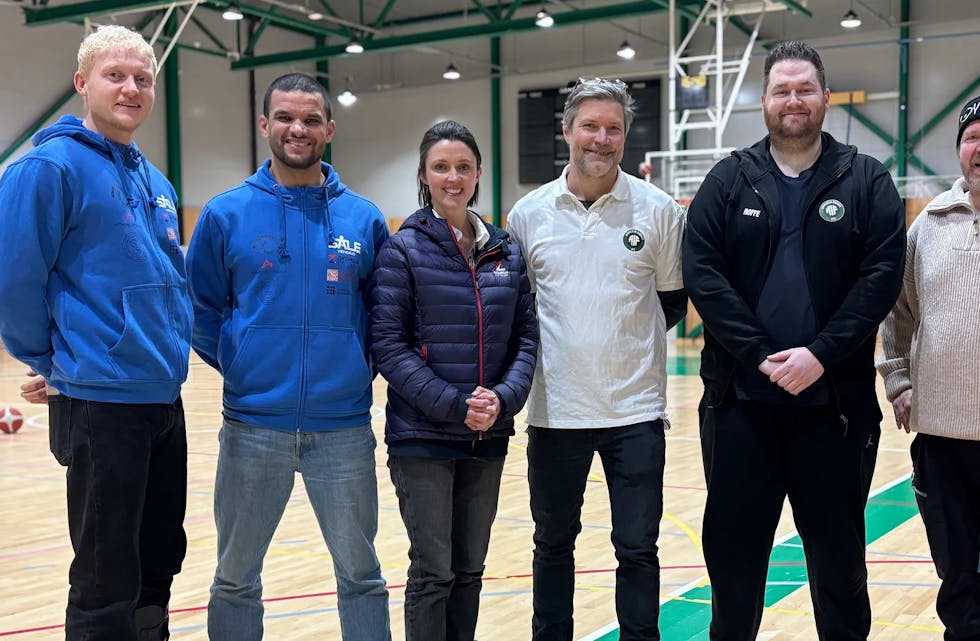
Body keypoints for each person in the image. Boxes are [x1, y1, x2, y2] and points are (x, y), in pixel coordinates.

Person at [683, 40, 906, 641]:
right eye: (782, 90)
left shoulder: (867, 179)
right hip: (740, 408)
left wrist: (820, 355)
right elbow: (704, 273)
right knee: (733, 569)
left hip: (833, 410)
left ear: (826, 98)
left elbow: (881, 278)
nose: (793, 100)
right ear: (763, 101)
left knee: (838, 568)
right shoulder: (729, 179)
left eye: (805, 88)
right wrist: (758, 355)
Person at [0, 25, 191, 641]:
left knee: (159, 560)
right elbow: (14, 279)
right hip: (101, 400)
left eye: (142, 78)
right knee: (106, 576)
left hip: (163, 395)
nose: (131, 88)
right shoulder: (48, 168)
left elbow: (168, 278)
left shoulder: (156, 182)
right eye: (116, 75)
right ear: (83, 83)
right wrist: (53, 362)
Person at [185, 72, 391, 641]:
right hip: (253, 425)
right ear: (265, 124)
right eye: (284, 117)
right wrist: (243, 361)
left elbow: (385, 316)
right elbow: (200, 308)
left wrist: (353, 368)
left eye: (309, 119)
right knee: (234, 577)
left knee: (362, 575)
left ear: (329, 127)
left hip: (343, 427)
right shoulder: (226, 214)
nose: (296, 129)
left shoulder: (365, 219)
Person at [507, 77, 687, 641]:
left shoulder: (657, 211)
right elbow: (521, 308)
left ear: (626, 137)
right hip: (555, 412)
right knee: (552, 547)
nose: (601, 139)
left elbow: (672, 301)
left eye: (613, 129)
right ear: (566, 131)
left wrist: (622, 343)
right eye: (590, 126)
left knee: (637, 549)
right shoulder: (528, 214)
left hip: (634, 414)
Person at [369, 120, 538, 641]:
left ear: (478, 173)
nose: (453, 177)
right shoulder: (403, 249)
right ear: (424, 174)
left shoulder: (505, 249)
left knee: (469, 570)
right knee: (433, 571)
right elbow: (388, 346)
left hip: (486, 436)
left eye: (463, 167)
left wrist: (503, 400)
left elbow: (526, 339)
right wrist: (454, 403)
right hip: (422, 437)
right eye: (441, 167)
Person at [876, 96, 980, 641]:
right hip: (942, 435)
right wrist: (898, 379)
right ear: (960, 148)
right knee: (958, 573)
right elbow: (899, 312)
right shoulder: (929, 224)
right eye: (972, 136)